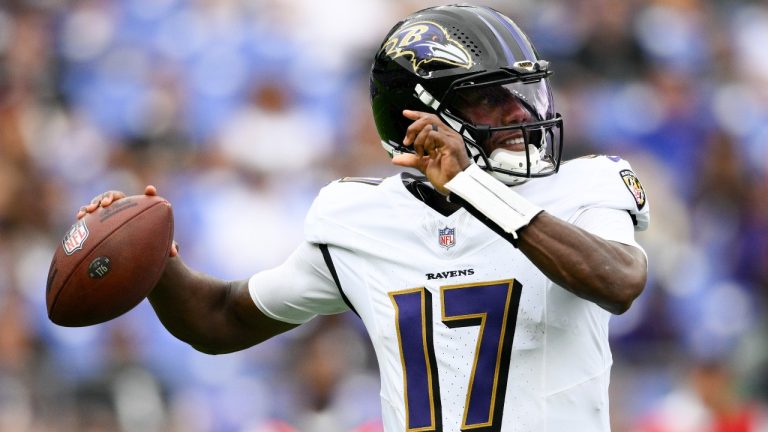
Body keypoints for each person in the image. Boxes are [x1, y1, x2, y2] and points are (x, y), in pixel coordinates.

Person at [75, 4, 650, 431]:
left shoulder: (584, 184)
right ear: (418, 119)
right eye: (491, 99)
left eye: (524, 94)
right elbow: (219, 319)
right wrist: (146, 252)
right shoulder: (361, 218)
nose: (520, 114)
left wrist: (476, 188)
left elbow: (618, 282)